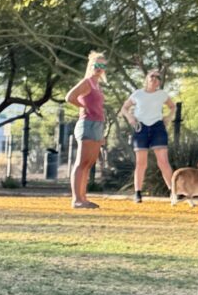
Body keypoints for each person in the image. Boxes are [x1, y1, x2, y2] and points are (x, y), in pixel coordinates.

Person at [120, 70, 176, 202]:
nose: (155, 79)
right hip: (141, 128)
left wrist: (168, 117)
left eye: (158, 77)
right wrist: (130, 117)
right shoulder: (137, 94)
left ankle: (173, 191)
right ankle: (138, 193)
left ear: (160, 82)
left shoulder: (162, 94)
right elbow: (124, 108)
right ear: (146, 78)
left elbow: (173, 107)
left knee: (163, 161)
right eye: (152, 76)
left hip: (158, 127)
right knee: (141, 163)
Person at [65, 52, 108, 208]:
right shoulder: (87, 82)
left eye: (102, 66)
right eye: (97, 65)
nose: (99, 68)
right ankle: (76, 199)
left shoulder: (98, 85)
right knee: (81, 162)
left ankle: (83, 198)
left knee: (89, 163)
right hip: (87, 124)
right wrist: (83, 107)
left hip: (97, 125)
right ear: (91, 66)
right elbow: (69, 97)